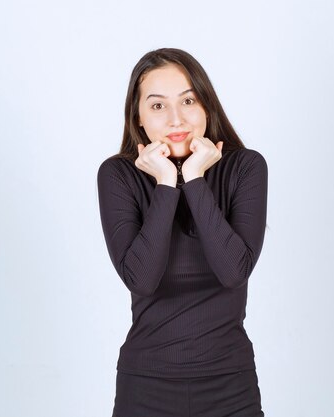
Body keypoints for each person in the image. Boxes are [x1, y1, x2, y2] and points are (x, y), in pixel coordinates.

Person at [97, 48, 268, 417]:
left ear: (207, 106)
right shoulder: (118, 176)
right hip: (145, 387)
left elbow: (233, 271)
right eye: (158, 106)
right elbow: (141, 279)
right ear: (138, 117)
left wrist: (193, 178)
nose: (176, 118)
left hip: (230, 387)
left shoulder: (245, 168)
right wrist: (165, 184)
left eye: (188, 100)